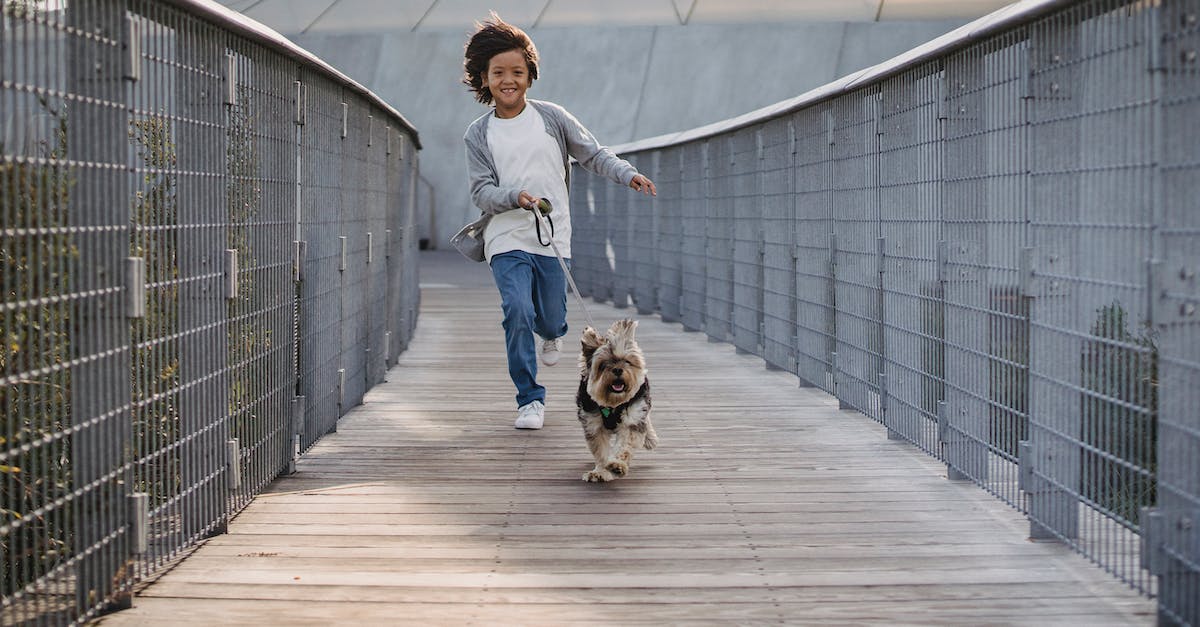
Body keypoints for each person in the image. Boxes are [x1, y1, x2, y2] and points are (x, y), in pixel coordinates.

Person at [461, 13, 656, 430]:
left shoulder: (551, 118)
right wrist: (515, 196)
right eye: (498, 73)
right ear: (484, 78)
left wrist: (627, 174)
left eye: (517, 71)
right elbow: (481, 192)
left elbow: (593, 153)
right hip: (505, 236)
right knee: (516, 310)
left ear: (530, 75)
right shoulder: (478, 135)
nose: (508, 80)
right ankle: (529, 399)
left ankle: (553, 332)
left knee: (549, 318)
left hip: (551, 238)